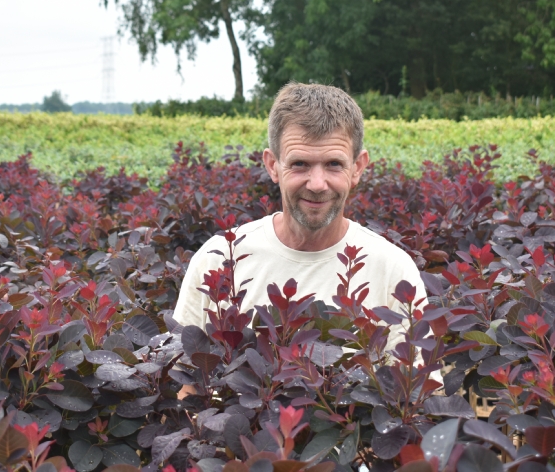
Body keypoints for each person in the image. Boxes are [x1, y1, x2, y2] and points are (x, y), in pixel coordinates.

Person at [172, 82, 426, 344]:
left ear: (357, 168)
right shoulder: (218, 260)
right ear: (273, 166)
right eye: (300, 164)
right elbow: (186, 377)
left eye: (334, 164)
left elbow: (416, 384)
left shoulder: (393, 271)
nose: (317, 184)